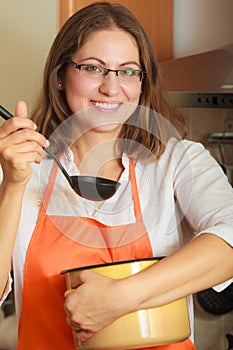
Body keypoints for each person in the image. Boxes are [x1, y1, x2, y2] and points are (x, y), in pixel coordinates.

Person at [0, 2, 232, 349]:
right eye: (93, 68)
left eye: (127, 71)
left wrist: (121, 297)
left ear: (142, 82)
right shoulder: (20, 170)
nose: (112, 87)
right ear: (61, 75)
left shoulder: (177, 162)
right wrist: (12, 187)